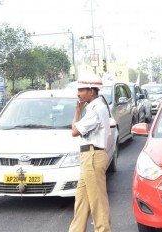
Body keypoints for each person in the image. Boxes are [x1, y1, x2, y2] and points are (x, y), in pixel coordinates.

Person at [69, 74, 111, 232]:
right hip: (89, 157)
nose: (78, 93)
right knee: (81, 202)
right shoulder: (94, 107)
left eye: (81, 90)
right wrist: (79, 112)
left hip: (93, 156)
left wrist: (77, 113)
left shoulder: (96, 109)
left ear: (91, 91)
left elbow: (74, 131)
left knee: (98, 203)